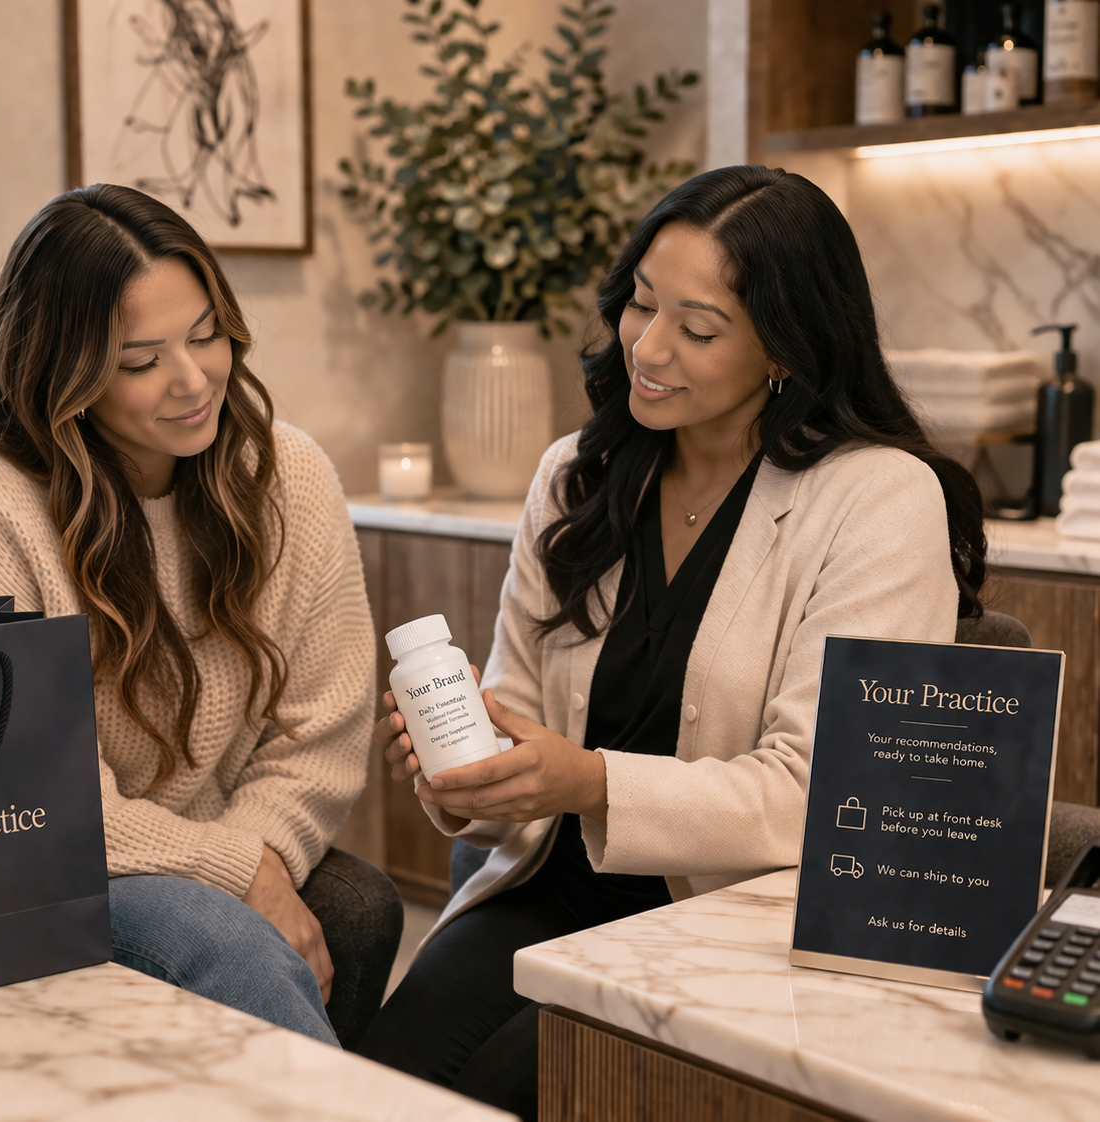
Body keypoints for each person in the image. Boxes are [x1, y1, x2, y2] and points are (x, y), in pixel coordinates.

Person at [356, 166, 987, 1117]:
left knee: (513, 1089)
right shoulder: (579, 476)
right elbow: (515, 725)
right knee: (369, 1088)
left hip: (735, 920)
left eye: (696, 329)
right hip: (551, 886)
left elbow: (830, 795)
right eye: (641, 305)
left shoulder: (879, 499)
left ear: (785, 346)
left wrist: (591, 782)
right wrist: (466, 768)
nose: (648, 348)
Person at [0, 184, 402, 1049]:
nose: (193, 381)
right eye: (140, 359)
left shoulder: (288, 474)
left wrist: (254, 858)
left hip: (189, 845)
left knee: (358, 906)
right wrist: (235, 876)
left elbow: (321, 734)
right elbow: (16, 800)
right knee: (230, 942)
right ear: (61, 369)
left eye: (206, 335)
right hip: (23, 866)